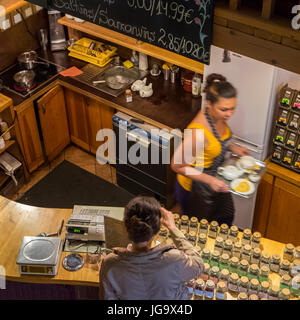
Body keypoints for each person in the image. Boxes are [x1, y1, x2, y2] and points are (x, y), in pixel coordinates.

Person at [171, 73, 250, 226]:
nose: (229, 114)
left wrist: (234, 148)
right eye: (224, 109)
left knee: (225, 218)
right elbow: (176, 165)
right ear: (209, 104)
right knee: (199, 230)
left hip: (215, 180)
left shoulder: (216, 116)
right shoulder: (197, 133)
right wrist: (210, 180)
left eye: (232, 109)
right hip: (194, 189)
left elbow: (216, 143)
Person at [99, 196, 204, 300]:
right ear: (157, 232)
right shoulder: (174, 259)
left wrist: (105, 269)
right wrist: (173, 228)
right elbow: (199, 265)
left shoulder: (109, 263)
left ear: (126, 228)